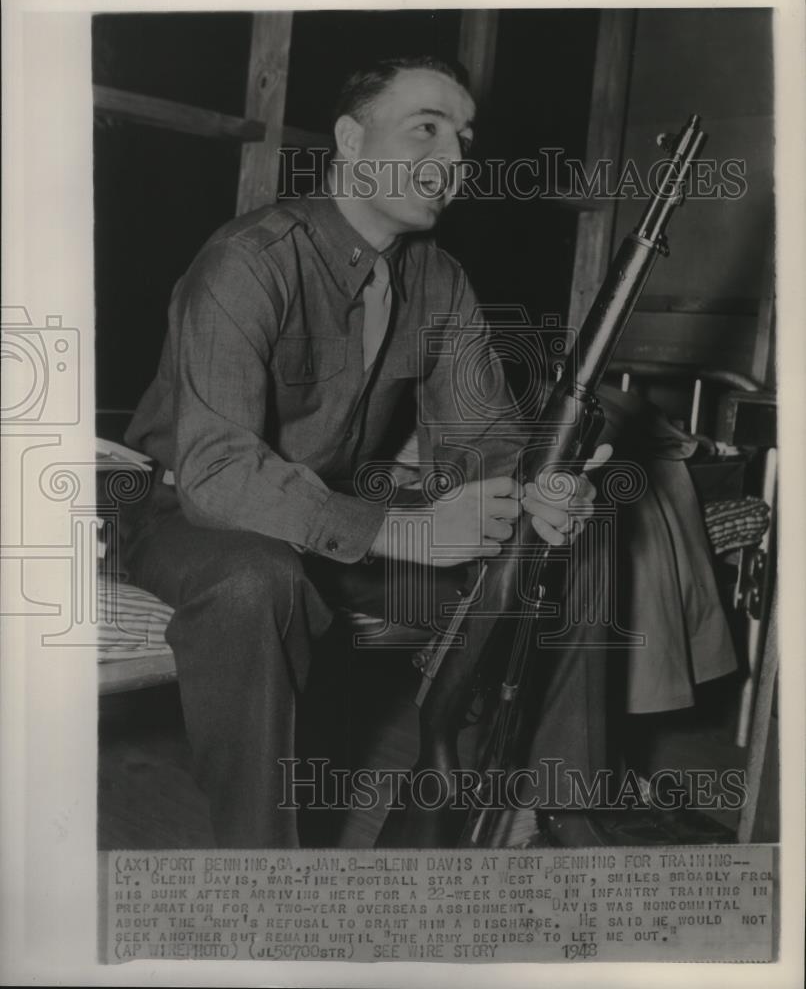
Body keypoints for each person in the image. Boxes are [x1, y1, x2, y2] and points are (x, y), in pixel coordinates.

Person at [124, 55, 610, 848]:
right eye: (426, 129)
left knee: (566, 548)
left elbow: (485, 442)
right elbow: (214, 473)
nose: (453, 161)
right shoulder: (249, 262)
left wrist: (543, 490)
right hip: (188, 513)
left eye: (463, 139)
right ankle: (265, 886)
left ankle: (532, 812)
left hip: (335, 513)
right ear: (351, 139)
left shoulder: (439, 280)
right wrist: (409, 531)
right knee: (257, 581)